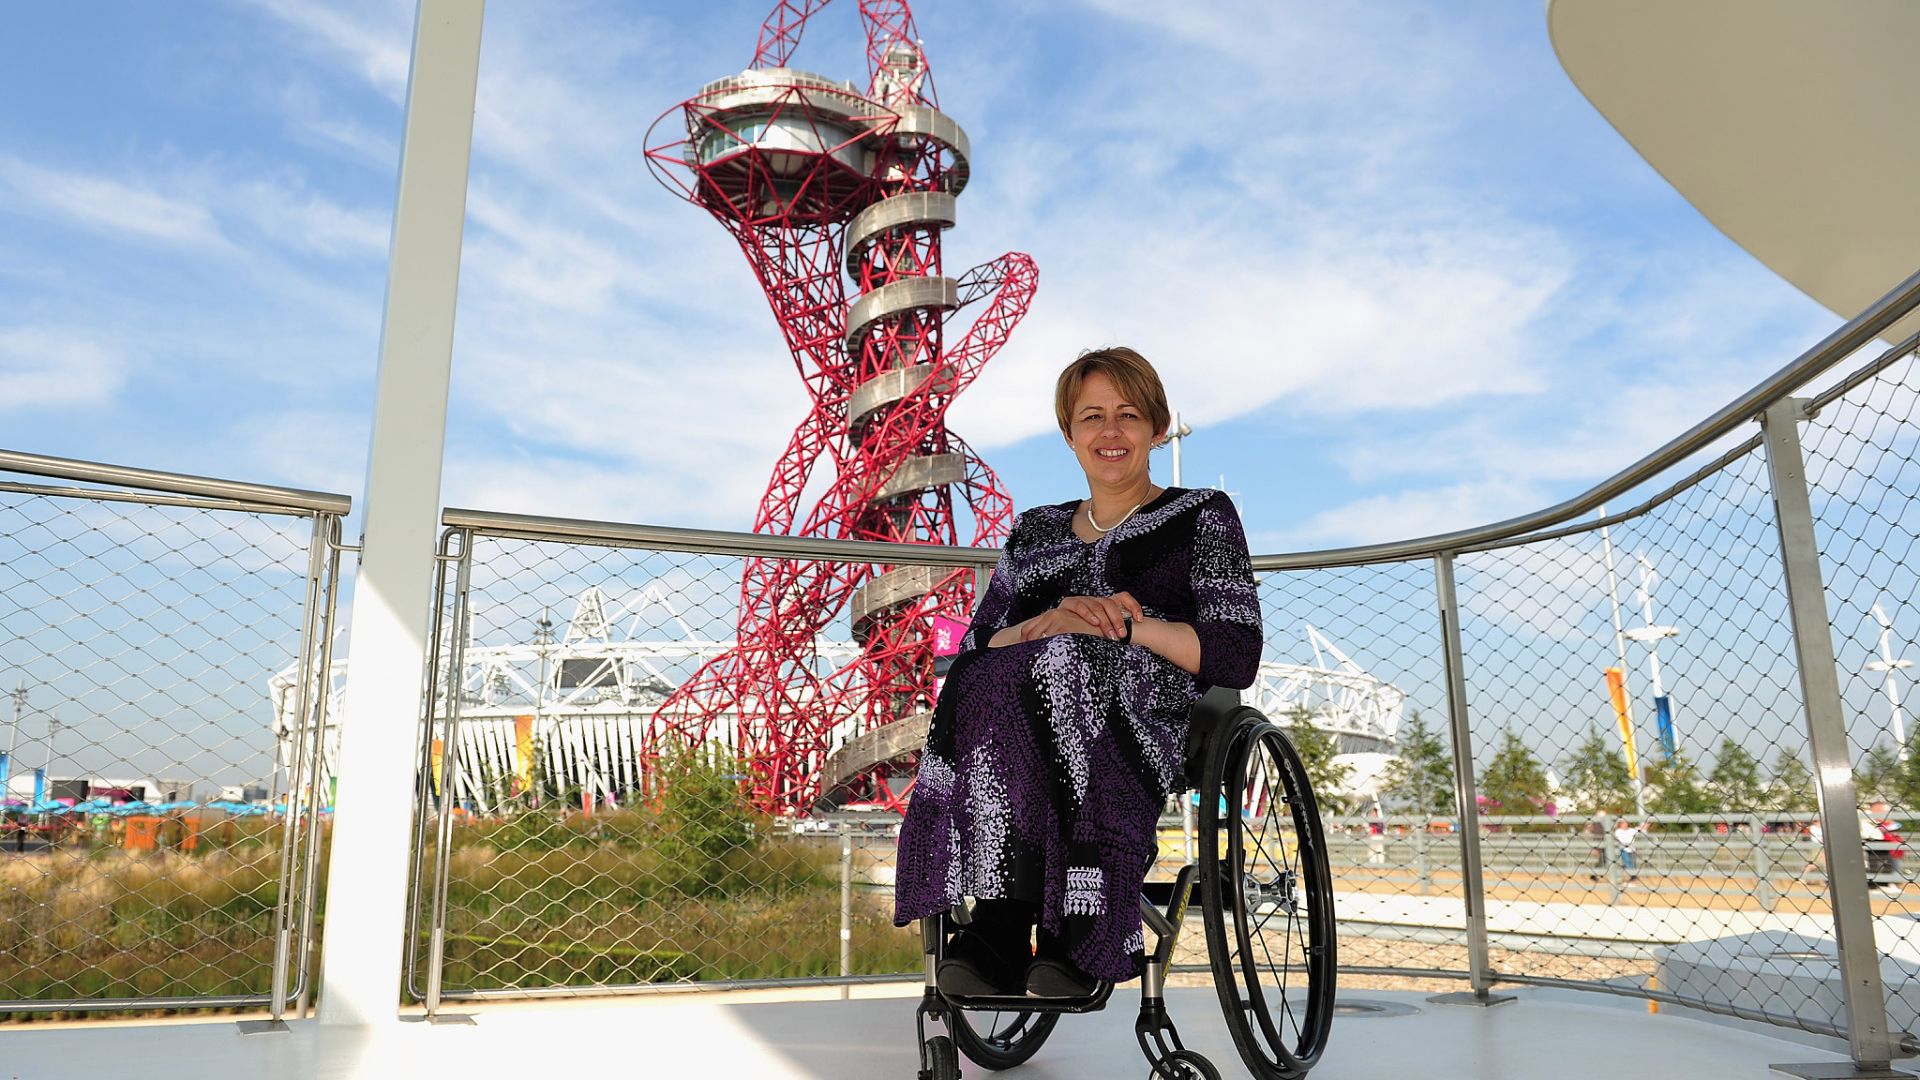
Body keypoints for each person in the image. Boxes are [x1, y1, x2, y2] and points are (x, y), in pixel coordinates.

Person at [892, 347, 1261, 998]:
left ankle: (1076, 924)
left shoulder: (1203, 515)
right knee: (988, 680)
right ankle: (999, 924)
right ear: (1069, 434)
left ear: (1157, 426)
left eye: (1128, 414)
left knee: (1071, 667)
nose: (1110, 432)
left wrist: (1123, 625)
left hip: (1156, 698)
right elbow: (977, 644)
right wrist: (1053, 619)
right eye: (1092, 417)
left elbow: (1235, 653)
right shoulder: (1035, 531)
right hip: (1030, 701)